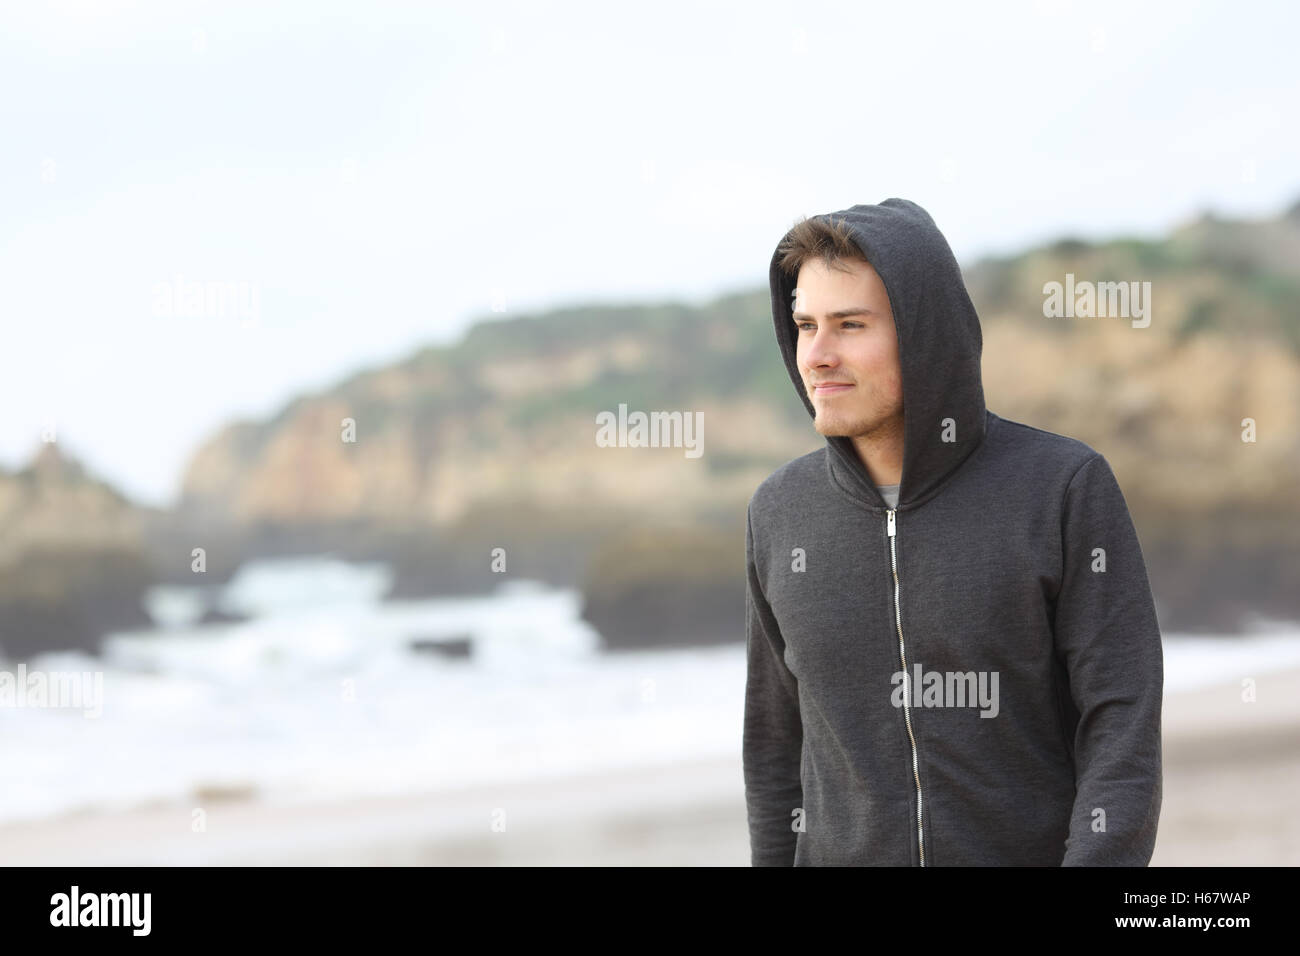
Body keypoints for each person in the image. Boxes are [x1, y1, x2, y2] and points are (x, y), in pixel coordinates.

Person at [743, 198, 1163, 866]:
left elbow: (1120, 724)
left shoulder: (1060, 488)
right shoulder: (779, 513)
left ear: (923, 333)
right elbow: (774, 748)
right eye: (804, 326)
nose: (816, 355)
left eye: (850, 325)